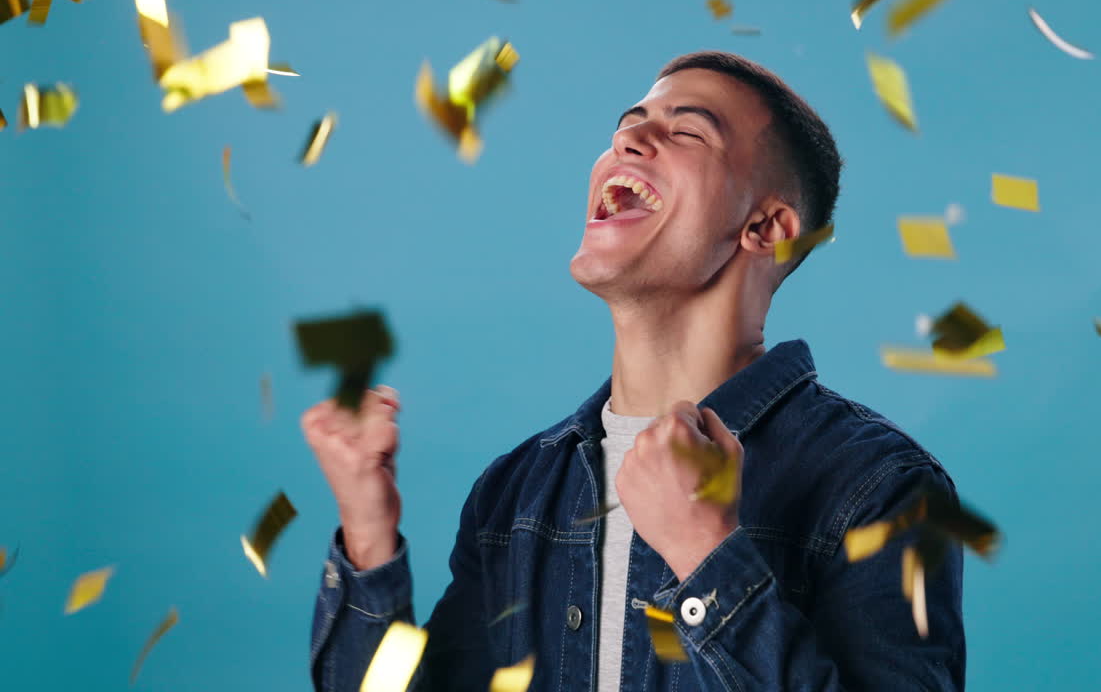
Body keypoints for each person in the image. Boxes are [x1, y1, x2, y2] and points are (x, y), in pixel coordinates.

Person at [303, 51, 965, 691]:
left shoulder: (881, 487)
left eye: (685, 131)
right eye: (624, 128)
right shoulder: (517, 493)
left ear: (766, 228)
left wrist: (707, 553)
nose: (629, 141)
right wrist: (367, 535)